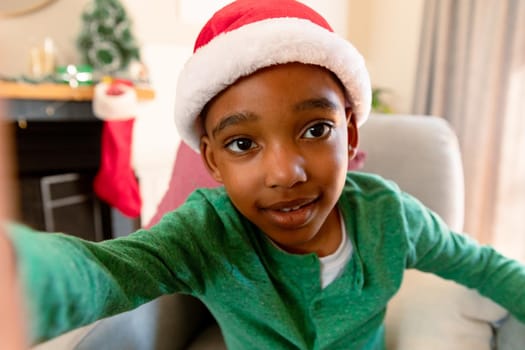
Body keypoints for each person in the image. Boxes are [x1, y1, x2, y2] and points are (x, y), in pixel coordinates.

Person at [4, 1, 525, 349]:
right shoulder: (206, 232)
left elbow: (485, 266)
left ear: (351, 134)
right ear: (212, 161)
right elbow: (106, 270)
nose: (286, 171)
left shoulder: (392, 217)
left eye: (316, 130)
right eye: (243, 144)